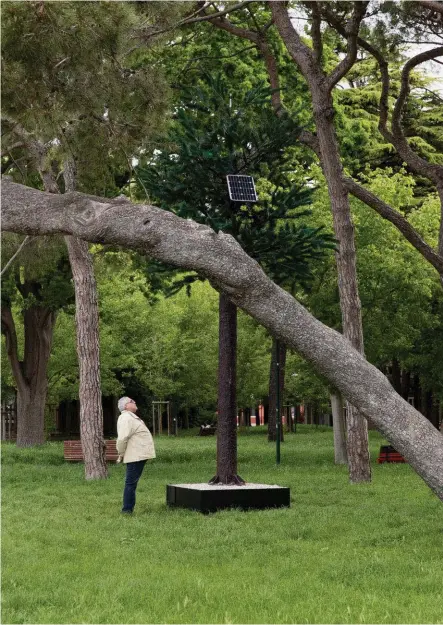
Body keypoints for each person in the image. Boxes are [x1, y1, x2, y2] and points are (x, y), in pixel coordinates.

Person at [116, 397, 156, 514]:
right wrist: (121, 453)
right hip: (135, 455)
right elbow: (122, 438)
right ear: (126, 406)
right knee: (130, 483)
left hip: (137, 455)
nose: (135, 402)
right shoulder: (126, 418)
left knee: (131, 482)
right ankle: (127, 510)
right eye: (132, 401)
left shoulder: (130, 417)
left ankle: (127, 509)